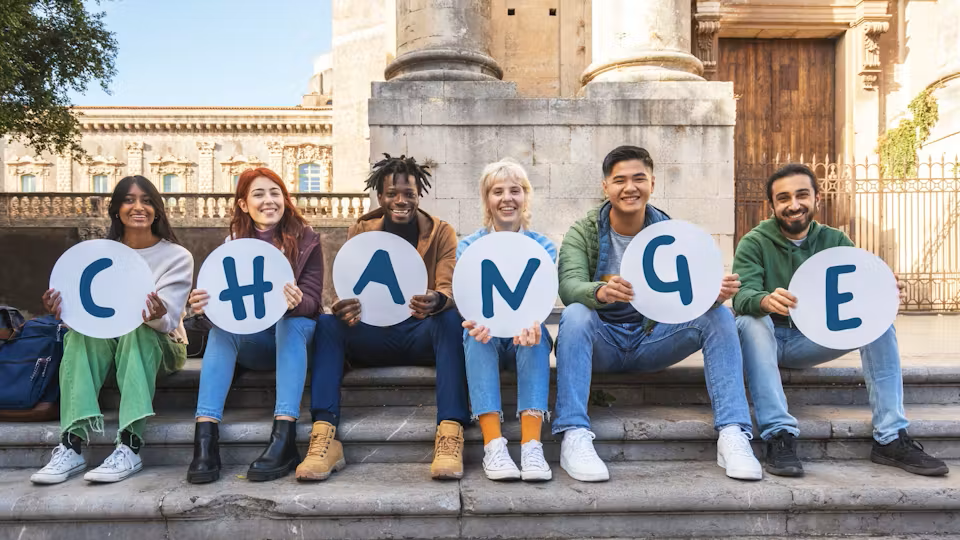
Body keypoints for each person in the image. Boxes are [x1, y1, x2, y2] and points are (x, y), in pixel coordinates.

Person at [552, 145, 762, 482]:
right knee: (576, 314)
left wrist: (711, 296)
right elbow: (569, 285)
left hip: (653, 338)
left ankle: (733, 434)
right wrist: (599, 292)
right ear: (605, 187)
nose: (629, 187)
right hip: (602, 340)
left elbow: (686, 299)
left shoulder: (670, 232)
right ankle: (573, 433)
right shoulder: (585, 230)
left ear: (652, 183)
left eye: (638, 178)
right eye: (619, 180)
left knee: (719, 316)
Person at [733, 163, 949, 478]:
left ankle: (890, 437)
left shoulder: (834, 240)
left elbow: (858, 290)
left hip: (810, 341)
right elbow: (741, 296)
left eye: (801, 195)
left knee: (879, 323)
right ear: (773, 206)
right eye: (783, 198)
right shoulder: (754, 242)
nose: (793, 205)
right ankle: (778, 434)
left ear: (817, 199)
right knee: (750, 321)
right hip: (763, 339)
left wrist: (883, 293)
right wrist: (764, 300)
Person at [297, 154, 470, 482]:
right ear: (380, 196)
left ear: (419, 194)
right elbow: (350, 285)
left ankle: (450, 432)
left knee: (450, 320)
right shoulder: (361, 229)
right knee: (328, 323)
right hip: (372, 333)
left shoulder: (441, 232)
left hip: (419, 332)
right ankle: (325, 436)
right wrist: (343, 307)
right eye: (392, 193)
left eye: (409, 193)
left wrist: (437, 300)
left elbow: (448, 286)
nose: (401, 200)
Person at [31, 176, 194, 484]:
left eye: (146, 200)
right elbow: (87, 314)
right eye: (129, 200)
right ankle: (71, 444)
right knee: (78, 336)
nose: (138, 207)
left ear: (157, 210)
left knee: (139, 330)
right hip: (108, 344)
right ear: (116, 209)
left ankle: (130, 445)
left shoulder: (176, 256)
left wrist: (156, 314)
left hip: (162, 345)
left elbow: (168, 322)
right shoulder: (97, 255)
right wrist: (62, 309)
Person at [185, 167, 323, 483]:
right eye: (258, 194)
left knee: (290, 325)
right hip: (256, 343)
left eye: (275, 193)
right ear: (244, 204)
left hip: (297, 338)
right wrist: (205, 308)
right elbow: (228, 309)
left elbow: (313, 303)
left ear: (285, 200)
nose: (269, 200)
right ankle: (205, 439)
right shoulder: (233, 245)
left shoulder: (307, 239)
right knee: (221, 333)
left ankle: (284, 437)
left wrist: (293, 301)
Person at [458, 160, 555, 482]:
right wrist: (474, 323)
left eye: (515, 190)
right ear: (487, 200)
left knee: (536, 336)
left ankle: (531, 445)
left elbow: (540, 299)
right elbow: (468, 299)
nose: (507, 198)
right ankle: (493, 445)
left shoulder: (544, 248)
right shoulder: (468, 247)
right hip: (488, 337)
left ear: (525, 197)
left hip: (523, 339)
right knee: (475, 336)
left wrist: (532, 325)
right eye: (497, 191)